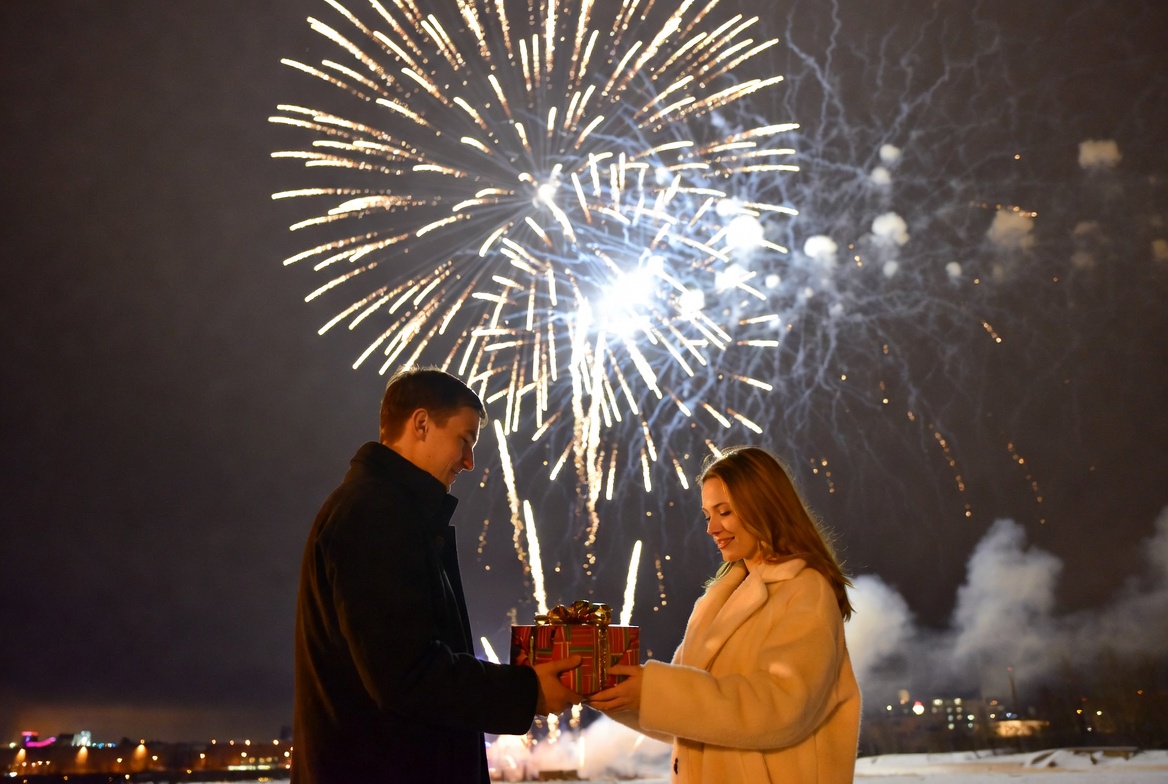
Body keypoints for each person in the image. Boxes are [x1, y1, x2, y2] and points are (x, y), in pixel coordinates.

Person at [293, 367, 581, 783]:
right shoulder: (375, 514)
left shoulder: (379, 510)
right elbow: (407, 674)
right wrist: (528, 691)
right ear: (422, 424)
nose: (469, 462)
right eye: (464, 440)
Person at [588, 446, 861, 784]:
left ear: (764, 507)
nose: (711, 528)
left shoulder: (805, 590)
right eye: (707, 515)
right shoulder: (718, 601)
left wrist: (653, 690)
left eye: (725, 512)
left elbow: (783, 708)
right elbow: (692, 717)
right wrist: (612, 693)